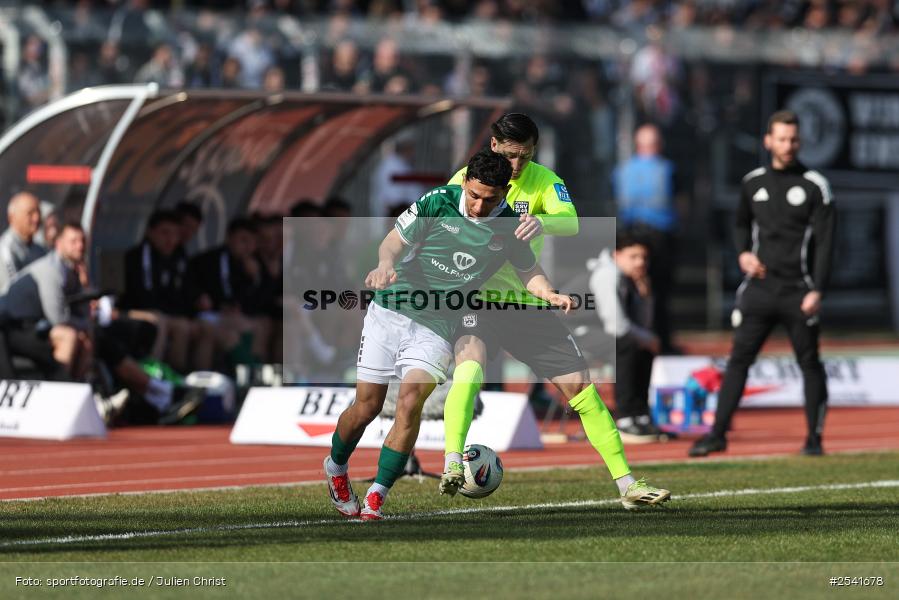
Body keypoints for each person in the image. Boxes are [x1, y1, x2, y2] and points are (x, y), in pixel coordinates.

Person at [324, 149, 571, 520]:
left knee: (411, 400)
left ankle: (377, 495)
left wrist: (549, 293)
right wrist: (385, 265)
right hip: (391, 309)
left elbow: (528, 270)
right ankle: (336, 468)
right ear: (466, 183)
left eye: (489, 199)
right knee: (367, 406)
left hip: (438, 325)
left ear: (504, 193)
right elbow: (393, 241)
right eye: (473, 195)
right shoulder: (438, 201)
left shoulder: (509, 226)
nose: (478, 205)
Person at [439, 113, 670, 509]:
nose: (516, 166)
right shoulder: (466, 179)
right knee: (470, 367)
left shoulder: (545, 181)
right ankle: (451, 463)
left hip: (529, 300)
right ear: (493, 147)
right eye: (510, 155)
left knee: (581, 388)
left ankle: (628, 486)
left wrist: (540, 222)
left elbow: (571, 223)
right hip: (476, 298)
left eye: (525, 157)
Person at [690, 110, 836, 457]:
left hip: (798, 291)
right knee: (738, 360)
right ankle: (717, 434)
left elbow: (828, 242)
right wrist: (742, 254)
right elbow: (740, 224)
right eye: (782, 139)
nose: (788, 146)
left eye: (794, 140)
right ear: (768, 141)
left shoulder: (815, 185)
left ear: (800, 142)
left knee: (809, 362)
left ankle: (814, 440)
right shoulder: (753, 182)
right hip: (759, 289)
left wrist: (817, 289)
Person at [613, 123, 679, 353]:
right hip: (656, 237)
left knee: (635, 290)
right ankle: (659, 341)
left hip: (632, 236)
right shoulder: (668, 169)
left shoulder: (622, 170)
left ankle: (639, 339)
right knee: (655, 292)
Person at [590, 231, 662, 442]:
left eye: (644, 258)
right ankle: (625, 419)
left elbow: (643, 325)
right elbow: (616, 326)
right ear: (616, 254)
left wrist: (645, 295)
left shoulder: (629, 278)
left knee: (643, 346)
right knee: (627, 344)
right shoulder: (607, 274)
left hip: (602, 333)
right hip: (570, 333)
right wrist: (646, 338)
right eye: (634, 256)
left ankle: (640, 415)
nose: (640, 262)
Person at [0, 191, 46, 293]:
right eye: (30, 213)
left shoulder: (40, 249)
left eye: (38, 212)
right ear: (12, 217)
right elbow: (13, 291)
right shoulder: (6, 250)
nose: (36, 218)